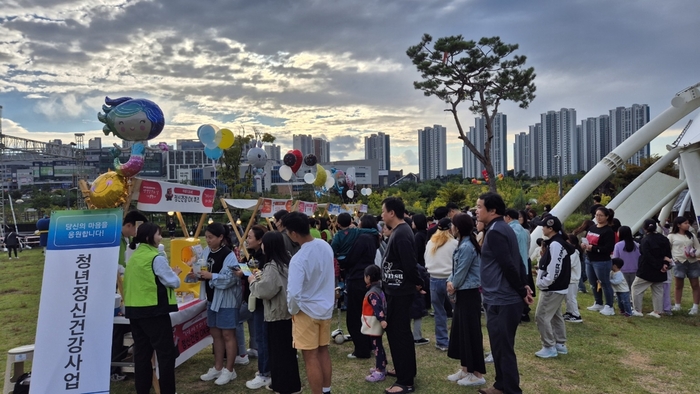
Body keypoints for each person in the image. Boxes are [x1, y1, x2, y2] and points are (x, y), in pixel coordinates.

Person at [475, 192, 532, 394]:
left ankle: (511, 389)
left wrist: (520, 289)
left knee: (503, 347)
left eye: (480, 206)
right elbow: (516, 261)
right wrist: (524, 286)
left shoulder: (497, 231)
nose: (476, 210)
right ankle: (501, 385)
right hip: (499, 297)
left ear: (493, 210)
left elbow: (508, 264)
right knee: (498, 346)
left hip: (502, 298)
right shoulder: (501, 228)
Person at [123, 223, 181, 394]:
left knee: (142, 355)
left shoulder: (134, 257)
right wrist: (175, 274)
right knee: (166, 356)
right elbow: (173, 282)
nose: (161, 237)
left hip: (135, 312)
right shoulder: (155, 257)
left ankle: (142, 390)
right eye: (158, 234)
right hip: (154, 312)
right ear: (149, 236)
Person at [284, 212, 335, 394]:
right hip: (325, 307)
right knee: (323, 351)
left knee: (310, 356)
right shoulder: (324, 246)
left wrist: (292, 310)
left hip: (306, 311)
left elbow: (294, 293)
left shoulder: (298, 259)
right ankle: (326, 390)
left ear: (294, 233)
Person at [249, 231, 302, 394]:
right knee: (288, 352)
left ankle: (284, 386)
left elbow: (266, 291)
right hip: (288, 312)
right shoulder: (287, 261)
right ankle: (289, 384)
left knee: (278, 353)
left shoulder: (272, 266)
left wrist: (253, 282)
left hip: (277, 313)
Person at [381, 197, 423, 394]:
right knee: (396, 333)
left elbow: (410, 264)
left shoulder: (402, 233)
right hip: (394, 290)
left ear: (392, 213)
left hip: (400, 292)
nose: (381, 215)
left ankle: (405, 381)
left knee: (400, 334)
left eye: (383, 211)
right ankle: (403, 369)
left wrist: (417, 283)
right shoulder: (399, 231)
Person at [198, 222, 244, 386]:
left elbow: (230, 279)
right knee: (216, 334)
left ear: (221, 237)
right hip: (212, 300)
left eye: (211, 237)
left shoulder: (229, 255)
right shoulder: (206, 252)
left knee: (227, 335)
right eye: (206, 237)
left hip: (226, 301)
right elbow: (201, 268)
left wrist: (211, 276)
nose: (208, 240)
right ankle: (218, 367)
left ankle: (229, 370)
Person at [446, 213, 486, 387]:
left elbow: (461, 272)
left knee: (471, 333)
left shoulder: (467, 247)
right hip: (463, 292)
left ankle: (477, 374)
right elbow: (456, 269)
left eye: (453, 225)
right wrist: (450, 281)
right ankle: (465, 369)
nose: (451, 228)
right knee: (461, 332)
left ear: (458, 227)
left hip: (469, 293)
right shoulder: (463, 244)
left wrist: (452, 284)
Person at [532, 214, 572, 358]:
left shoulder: (556, 244)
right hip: (558, 287)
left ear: (550, 228)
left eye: (544, 226)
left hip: (553, 288)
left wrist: (544, 282)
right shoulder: (557, 242)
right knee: (555, 315)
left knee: (541, 316)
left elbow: (555, 267)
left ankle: (549, 346)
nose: (542, 228)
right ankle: (560, 344)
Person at [342, 215, 380, 360]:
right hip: (365, 278)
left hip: (357, 279)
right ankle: (368, 345)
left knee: (354, 316)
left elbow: (351, 258)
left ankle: (361, 349)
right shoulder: (374, 238)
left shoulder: (363, 238)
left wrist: (343, 262)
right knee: (366, 315)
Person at [242, 225, 272, 390]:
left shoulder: (265, 259)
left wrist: (249, 276)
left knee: (262, 337)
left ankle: (264, 372)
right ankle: (265, 369)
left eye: (250, 237)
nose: (247, 240)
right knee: (260, 336)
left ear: (261, 240)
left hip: (261, 302)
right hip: (256, 300)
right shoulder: (254, 255)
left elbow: (261, 279)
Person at [424, 217, 457, 351]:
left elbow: (426, 260)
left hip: (434, 279)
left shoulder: (431, 243)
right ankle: (458, 339)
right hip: (450, 280)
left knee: (439, 312)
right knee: (458, 311)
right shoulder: (454, 243)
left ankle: (442, 341)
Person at [631, 219, 673, 318]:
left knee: (636, 288)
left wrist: (658, 265)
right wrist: (664, 264)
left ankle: (637, 310)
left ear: (644, 228)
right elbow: (668, 254)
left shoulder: (645, 240)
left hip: (647, 269)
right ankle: (657, 311)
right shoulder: (664, 239)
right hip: (661, 269)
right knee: (658, 290)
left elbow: (647, 255)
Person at [584, 207, 616, 316]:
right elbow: (587, 239)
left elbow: (608, 248)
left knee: (604, 283)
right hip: (589, 259)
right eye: (597, 215)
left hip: (601, 261)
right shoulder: (592, 228)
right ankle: (598, 302)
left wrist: (593, 248)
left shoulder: (608, 231)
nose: (598, 217)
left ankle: (609, 305)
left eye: (601, 215)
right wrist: (584, 245)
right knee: (593, 282)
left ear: (607, 217)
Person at [668, 216, 700, 314]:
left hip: (692, 261)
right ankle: (677, 305)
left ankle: (695, 306)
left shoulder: (691, 235)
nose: (688, 225)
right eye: (685, 223)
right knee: (678, 284)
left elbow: (698, 247)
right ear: (678, 225)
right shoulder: (671, 236)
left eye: (688, 223)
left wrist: (695, 253)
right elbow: (668, 249)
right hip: (679, 261)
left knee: (695, 284)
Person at [362, 264, 389, 383]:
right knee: (378, 345)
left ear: (368, 277)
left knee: (376, 346)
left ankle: (380, 370)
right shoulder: (379, 288)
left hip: (374, 323)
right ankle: (381, 365)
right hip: (374, 322)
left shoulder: (372, 293)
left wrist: (382, 319)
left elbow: (377, 307)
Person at [504, 209, 532, 322]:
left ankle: (520, 313)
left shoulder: (509, 230)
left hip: (514, 264)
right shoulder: (524, 231)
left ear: (508, 217)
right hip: (524, 263)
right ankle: (523, 312)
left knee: (514, 289)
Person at [563, 234, 583, 323]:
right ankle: (569, 312)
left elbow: (568, 264)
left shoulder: (574, 253)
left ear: (573, 244)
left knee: (571, 298)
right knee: (567, 298)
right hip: (568, 279)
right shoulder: (568, 252)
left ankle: (576, 314)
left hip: (572, 279)